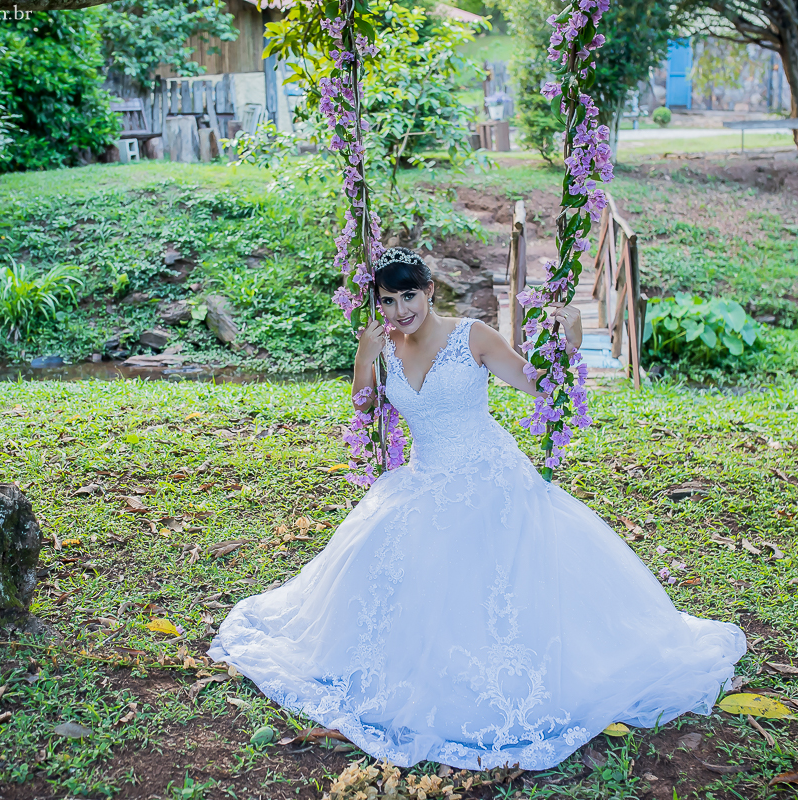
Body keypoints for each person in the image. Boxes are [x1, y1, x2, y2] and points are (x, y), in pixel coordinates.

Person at [208, 248, 746, 771]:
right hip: (421, 483)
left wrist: (571, 342)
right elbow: (366, 407)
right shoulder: (384, 344)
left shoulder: (472, 336)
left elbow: (537, 386)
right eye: (389, 301)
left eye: (410, 296)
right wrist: (364, 361)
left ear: (430, 290)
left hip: (490, 481)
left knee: (500, 590)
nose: (401, 312)